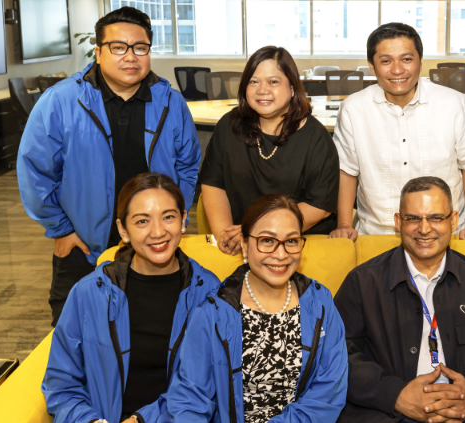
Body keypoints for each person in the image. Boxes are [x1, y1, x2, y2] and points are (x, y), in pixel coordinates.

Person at [17, 6, 201, 326]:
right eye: (119, 47)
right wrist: (61, 230)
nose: (131, 56)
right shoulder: (62, 101)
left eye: (140, 48)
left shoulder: (170, 102)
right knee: (77, 336)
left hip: (153, 241)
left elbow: (188, 165)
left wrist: (174, 217)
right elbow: (35, 170)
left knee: (153, 332)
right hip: (84, 246)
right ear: (99, 52)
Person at [334, 176, 465, 422]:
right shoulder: (362, 283)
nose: (424, 229)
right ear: (398, 223)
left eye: (435, 218)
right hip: (389, 414)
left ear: (453, 221)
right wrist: (395, 395)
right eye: (413, 218)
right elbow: (338, 355)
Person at [42, 173, 221, 423]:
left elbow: (209, 384)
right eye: (142, 221)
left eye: (168, 217)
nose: (158, 232)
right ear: (122, 230)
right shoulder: (89, 293)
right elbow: (61, 383)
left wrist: (142, 420)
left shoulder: (209, 293)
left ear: (184, 221)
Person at [166, 195, 347, 422]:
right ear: (243, 242)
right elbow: (190, 397)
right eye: (267, 241)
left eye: (291, 241)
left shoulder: (320, 303)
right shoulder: (213, 311)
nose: (281, 255)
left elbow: (328, 393)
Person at [330, 23, 465, 242]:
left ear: (420, 61)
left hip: (444, 233)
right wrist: (343, 225)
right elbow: (347, 171)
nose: (397, 70)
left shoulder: (454, 104)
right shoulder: (353, 108)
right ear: (372, 66)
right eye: (386, 61)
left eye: (407, 59)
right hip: (378, 233)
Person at [200, 46, 339, 256]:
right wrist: (224, 236)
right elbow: (213, 184)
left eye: (273, 82)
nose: (262, 90)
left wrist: (258, 235)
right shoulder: (230, 125)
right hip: (239, 243)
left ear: (292, 87)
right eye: (254, 81)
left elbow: (319, 206)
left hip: (297, 245)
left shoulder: (316, 138)